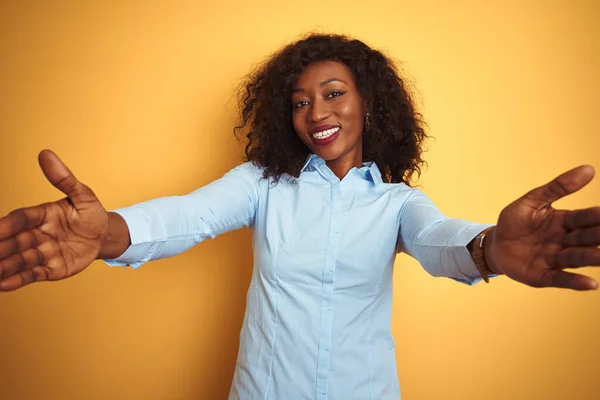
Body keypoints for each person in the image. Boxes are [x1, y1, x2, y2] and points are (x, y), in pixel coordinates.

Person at [0, 33, 598, 400]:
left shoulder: (397, 202)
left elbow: (440, 241)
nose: (316, 112)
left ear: (369, 101)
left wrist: (490, 249)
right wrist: (106, 232)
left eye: (334, 93)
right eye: (300, 101)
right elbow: (185, 217)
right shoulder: (262, 184)